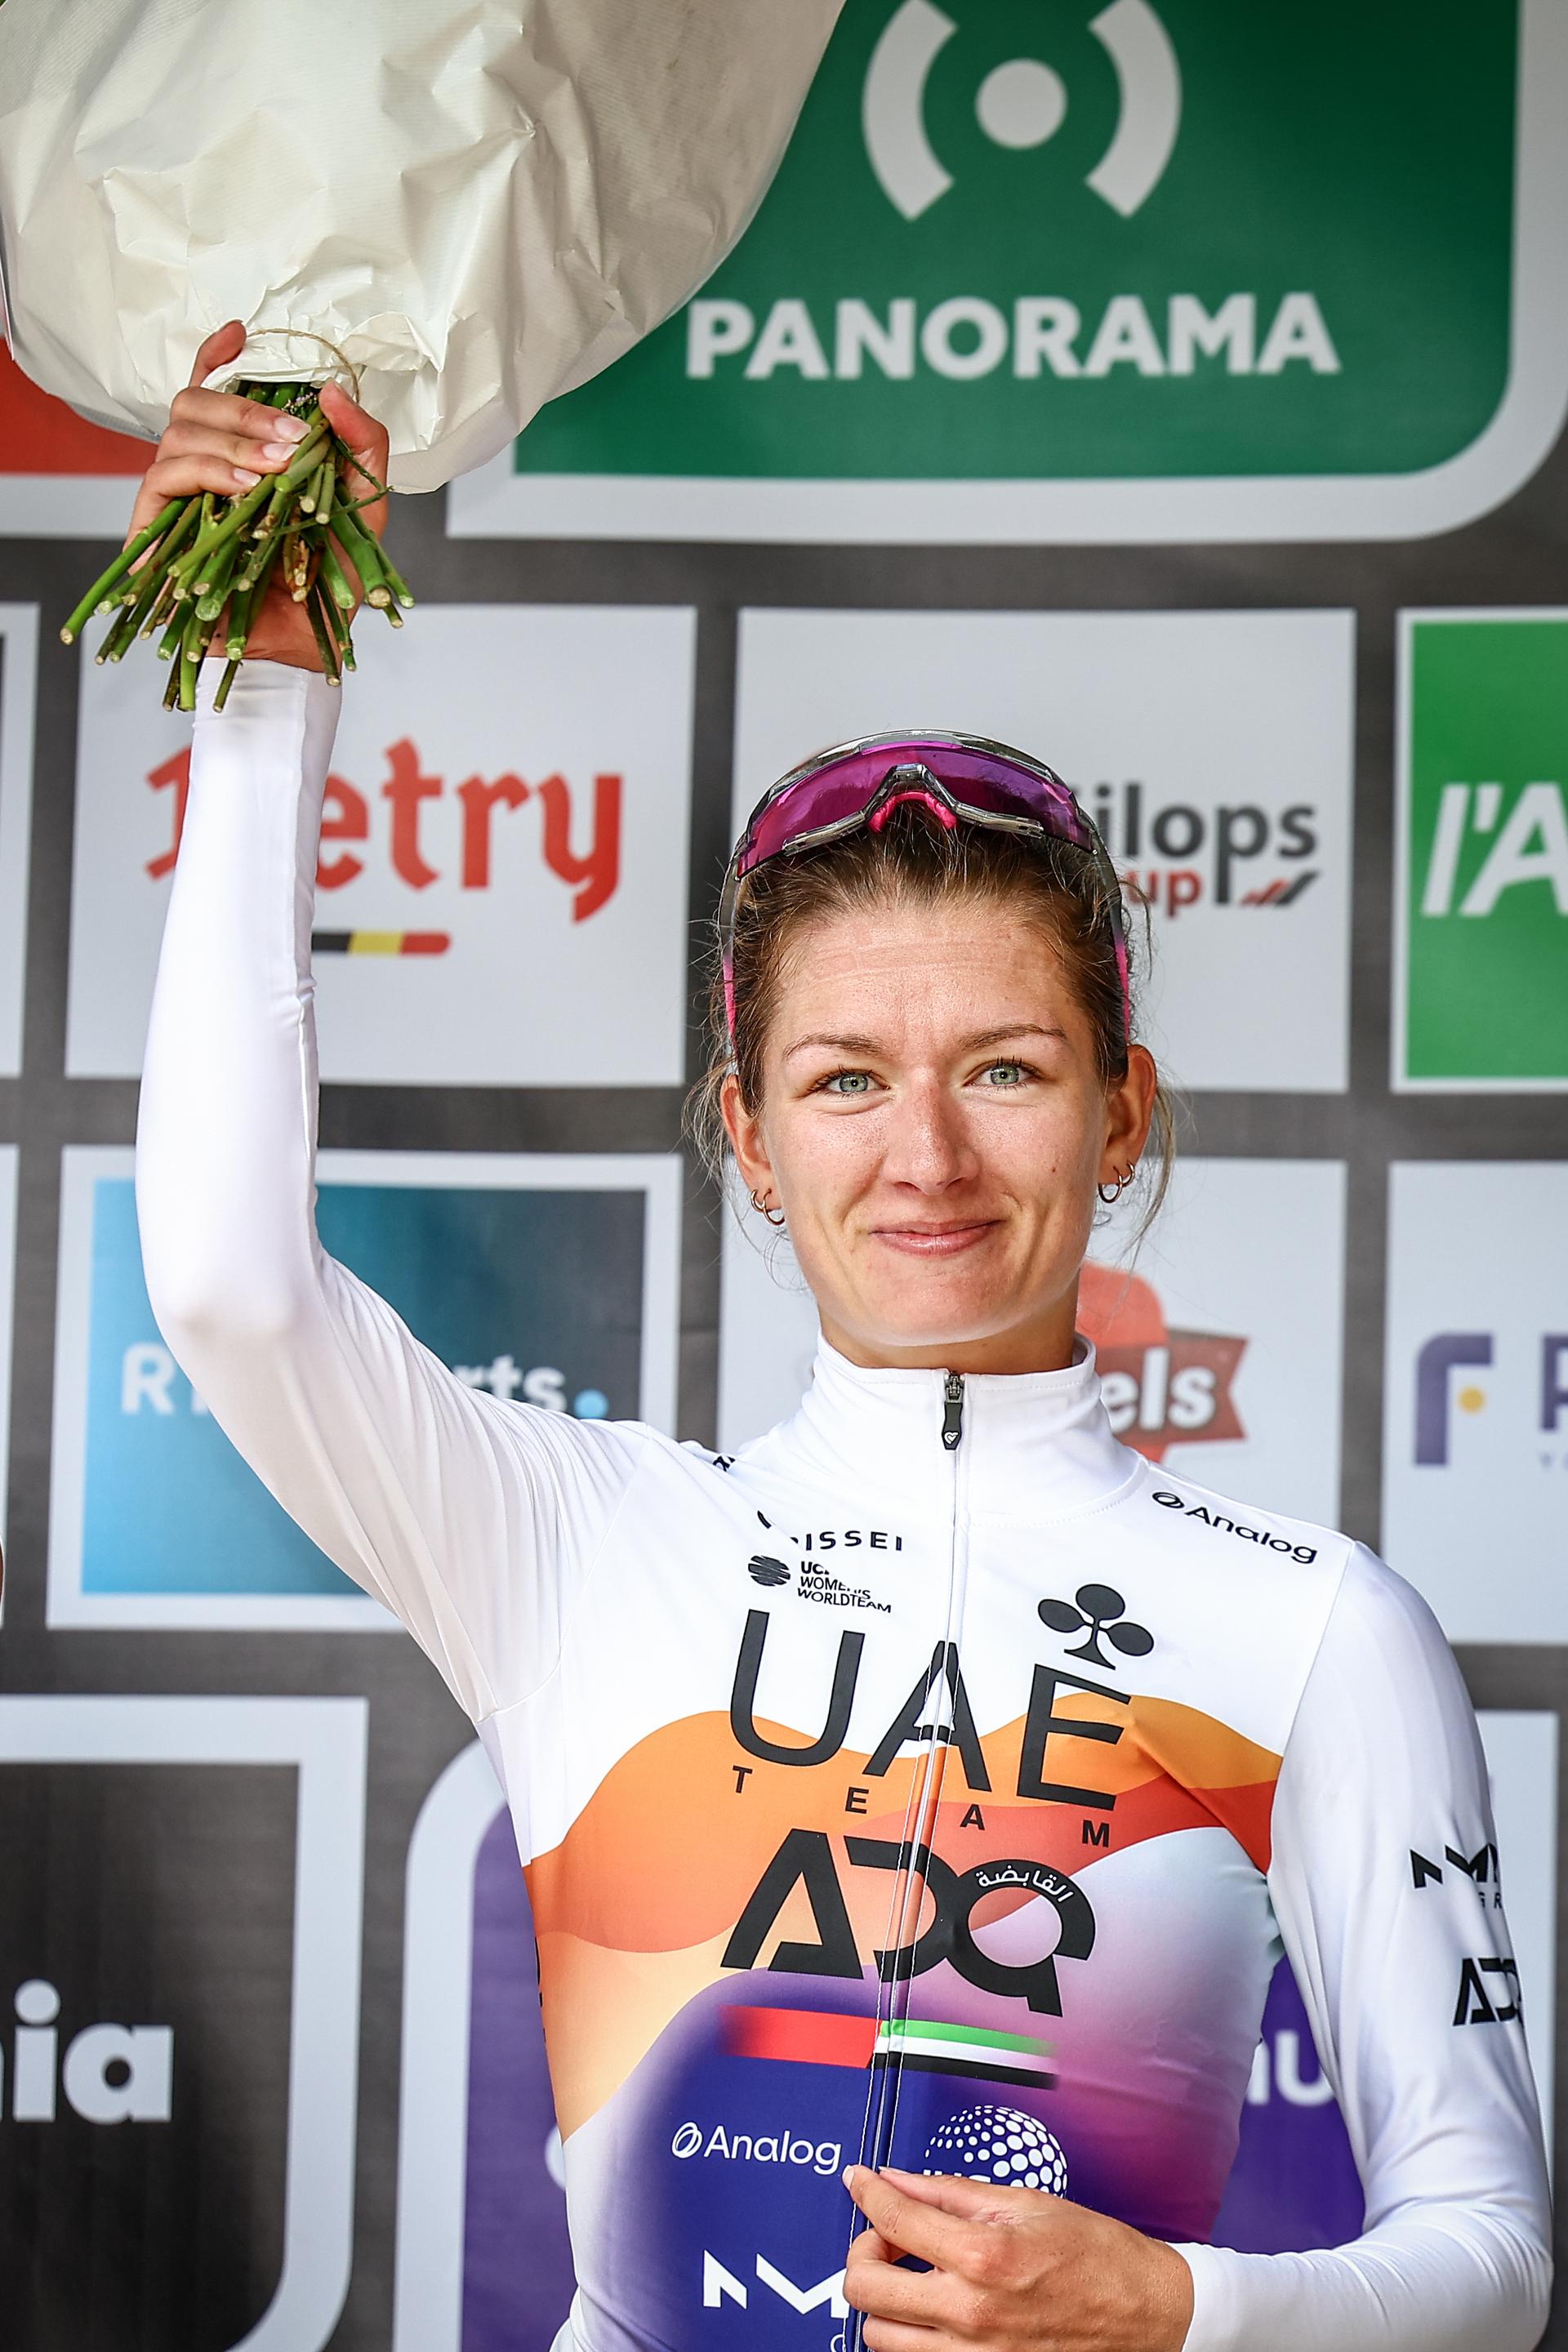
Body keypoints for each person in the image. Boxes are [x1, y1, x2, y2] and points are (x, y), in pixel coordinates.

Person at [133, 323, 1551, 2352]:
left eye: (1005, 1066)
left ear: (1123, 1111)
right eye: (843, 1081)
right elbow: (225, 1281)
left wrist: (1178, 2311)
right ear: (751, 1138)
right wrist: (269, 685)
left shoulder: (1322, 1627)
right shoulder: (581, 1541)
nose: (929, 1155)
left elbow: (1495, 2260)